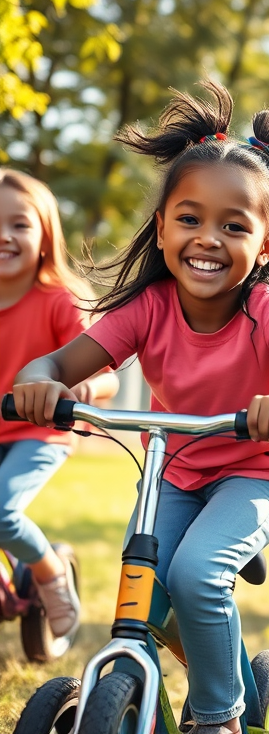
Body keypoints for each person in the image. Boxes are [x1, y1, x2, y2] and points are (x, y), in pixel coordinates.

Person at [12, 81, 269, 734]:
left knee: (197, 575)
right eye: (190, 218)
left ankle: (219, 716)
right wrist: (41, 380)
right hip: (174, 473)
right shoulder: (147, 308)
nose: (207, 238)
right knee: (146, 585)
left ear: (266, 247)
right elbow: (60, 364)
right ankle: (170, 685)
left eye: (234, 226)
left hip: (259, 473)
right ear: (163, 227)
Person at [0, 168, 119, 638]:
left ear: (46, 235)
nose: (4, 237)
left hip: (39, 431)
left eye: (19, 225)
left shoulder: (59, 300)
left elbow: (105, 378)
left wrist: (83, 389)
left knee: (2, 510)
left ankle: (50, 575)